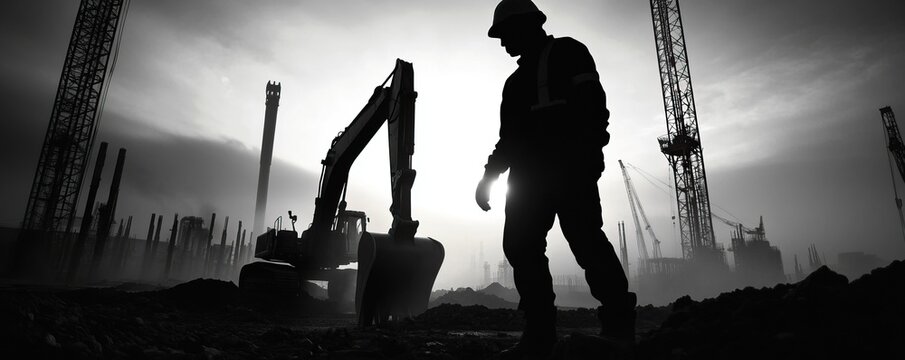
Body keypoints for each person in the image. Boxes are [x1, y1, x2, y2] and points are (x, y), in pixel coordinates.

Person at [475, 0, 636, 358]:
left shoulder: (569, 53)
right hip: (529, 179)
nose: (503, 44)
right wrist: (490, 175)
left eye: (506, 35)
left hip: (569, 168)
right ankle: (539, 334)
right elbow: (510, 139)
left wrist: (589, 152)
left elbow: (594, 108)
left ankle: (619, 326)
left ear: (528, 25)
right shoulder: (514, 83)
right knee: (520, 246)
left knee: (586, 241)